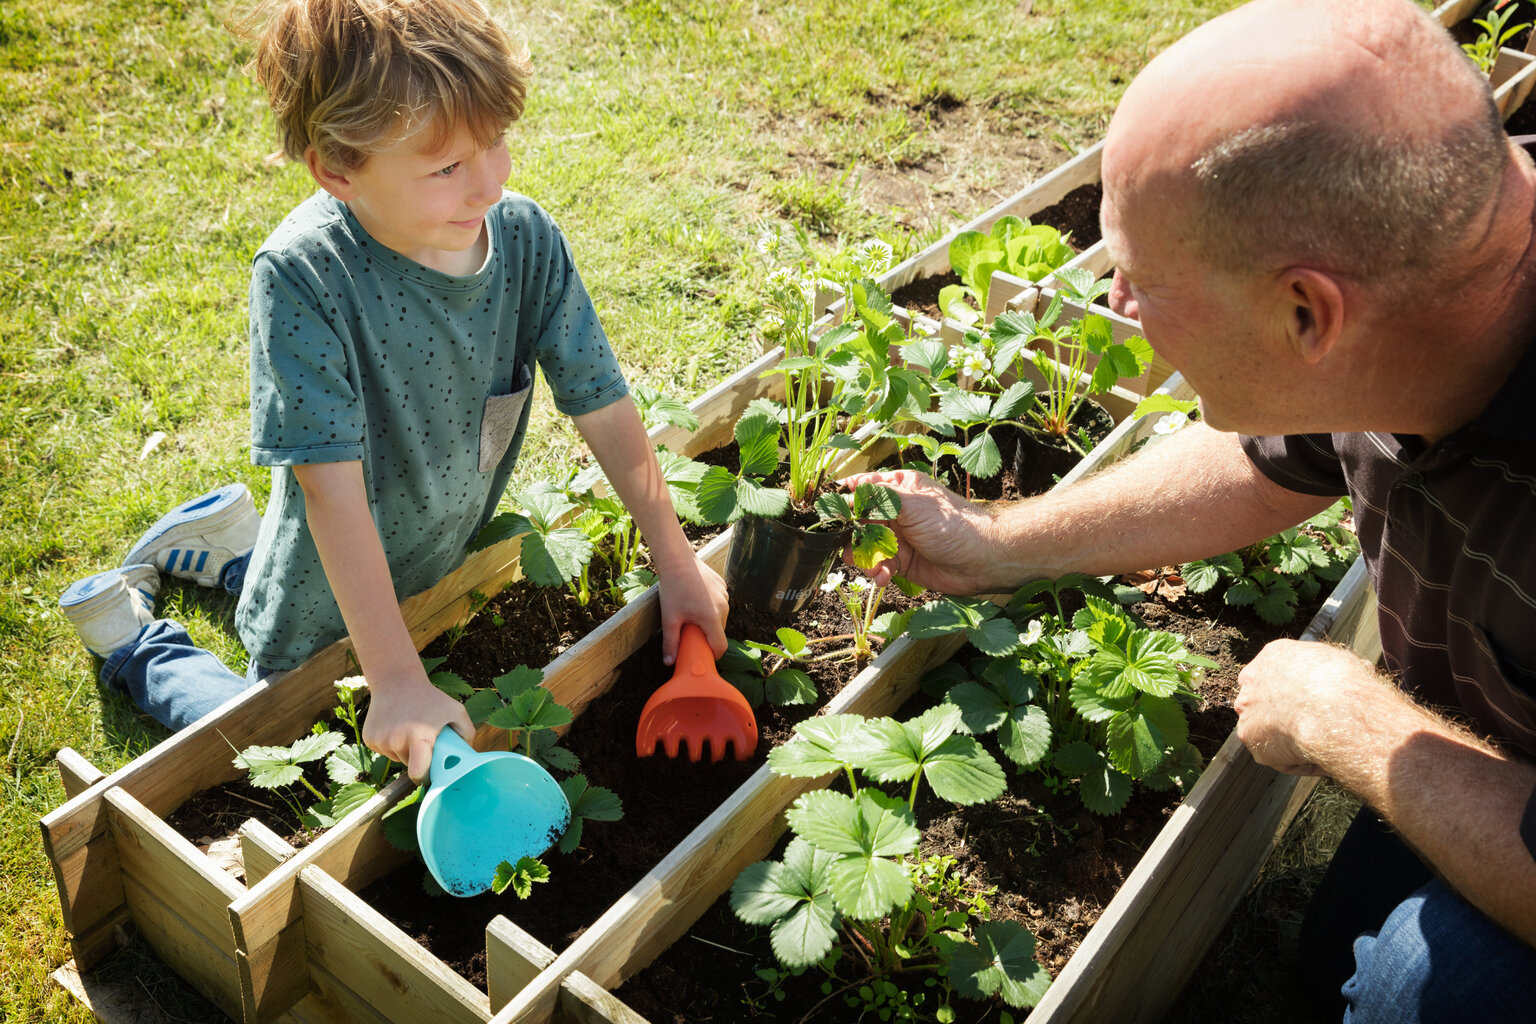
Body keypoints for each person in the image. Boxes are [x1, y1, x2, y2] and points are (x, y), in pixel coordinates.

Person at [846, 0, 1536, 1020]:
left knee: (1415, 994)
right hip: (1497, 747)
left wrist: (1344, 717)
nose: (1116, 302)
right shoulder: (1420, 292)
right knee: (1346, 938)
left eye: (1142, 276)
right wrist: (992, 545)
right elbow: (1269, 461)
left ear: (1307, 312)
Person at [58, 0, 728, 784]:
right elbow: (331, 493)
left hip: (431, 565)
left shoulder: (526, 238)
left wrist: (676, 561)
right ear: (337, 169)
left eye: (496, 143)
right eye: (446, 167)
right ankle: (136, 643)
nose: (487, 185)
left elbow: (603, 400)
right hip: (322, 600)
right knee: (277, 749)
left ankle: (225, 541)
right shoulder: (304, 277)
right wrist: (396, 680)